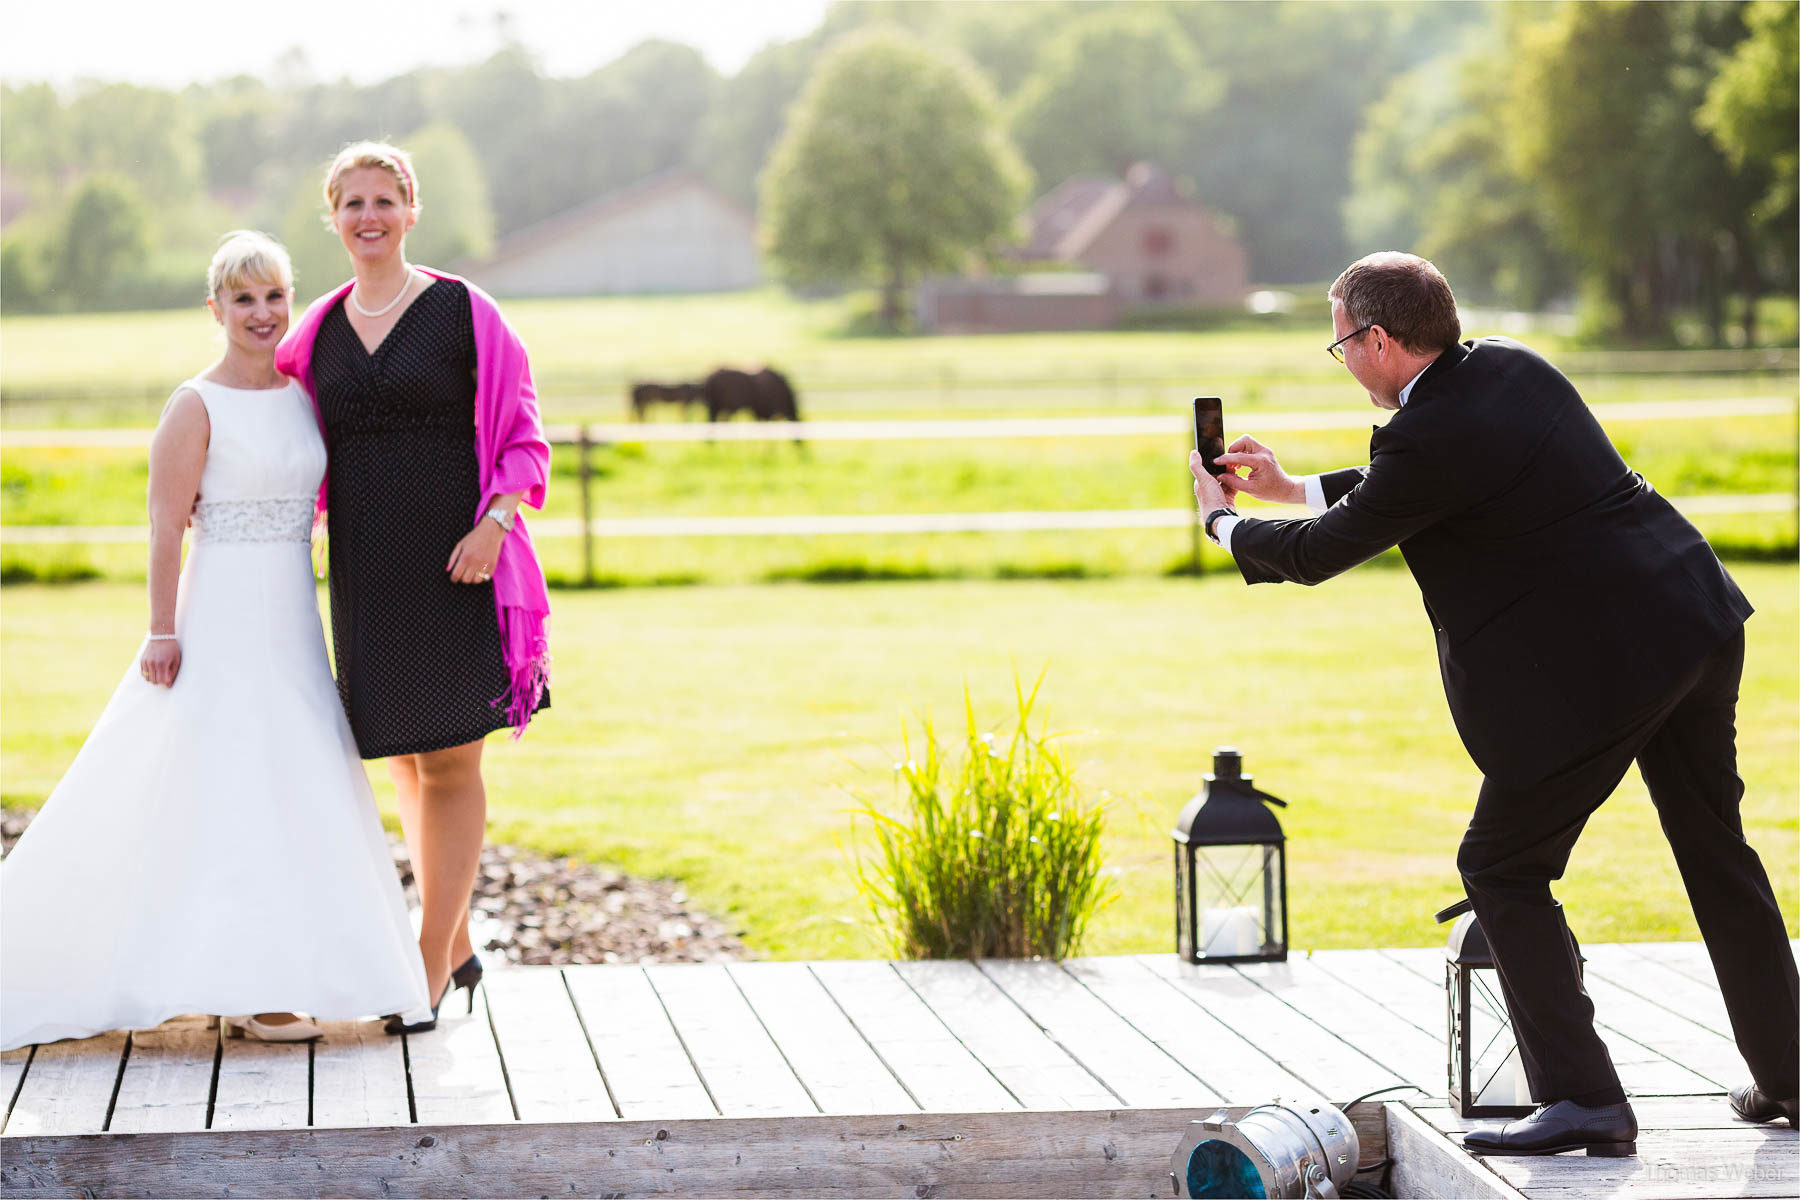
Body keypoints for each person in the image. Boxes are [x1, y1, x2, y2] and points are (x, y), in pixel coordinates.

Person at [1189, 251, 1797, 1153]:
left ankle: (1585, 1097)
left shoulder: (1425, 436)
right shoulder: (1510, 366)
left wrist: (1222, 521)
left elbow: (1322, 553)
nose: (1342, 357)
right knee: (1715, 851)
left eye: (1340, 339)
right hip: (1694, 621)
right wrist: (1291, 489)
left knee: (1503, 865)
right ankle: (1792, 1074)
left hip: (1611, 666)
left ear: (1381, 338)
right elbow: (1413, 488)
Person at [0, 232, 429, 1051]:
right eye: (243, 299)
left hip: (293, 618)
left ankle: (284, 973)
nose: (261, 314)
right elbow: (165, 526)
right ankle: (246, 989)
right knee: (221, 774)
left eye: (273, 297)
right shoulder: (193, 404)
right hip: (221, 612)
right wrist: (161, 630)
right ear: (216, 309)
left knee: (292, 777)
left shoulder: (304, 396)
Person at [275, 141, 551, 1034]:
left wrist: (493, 526)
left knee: (450, 758)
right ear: (333, 218)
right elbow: (276, 421)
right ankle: (458, 935)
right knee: (398, 749)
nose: (368, 216)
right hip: (366, 568)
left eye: (383, 199)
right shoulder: (313, 331)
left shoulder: (466, 312)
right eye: (351, 202)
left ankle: (427, 968)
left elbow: (522, 436)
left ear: (411, 209)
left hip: (454, 562)